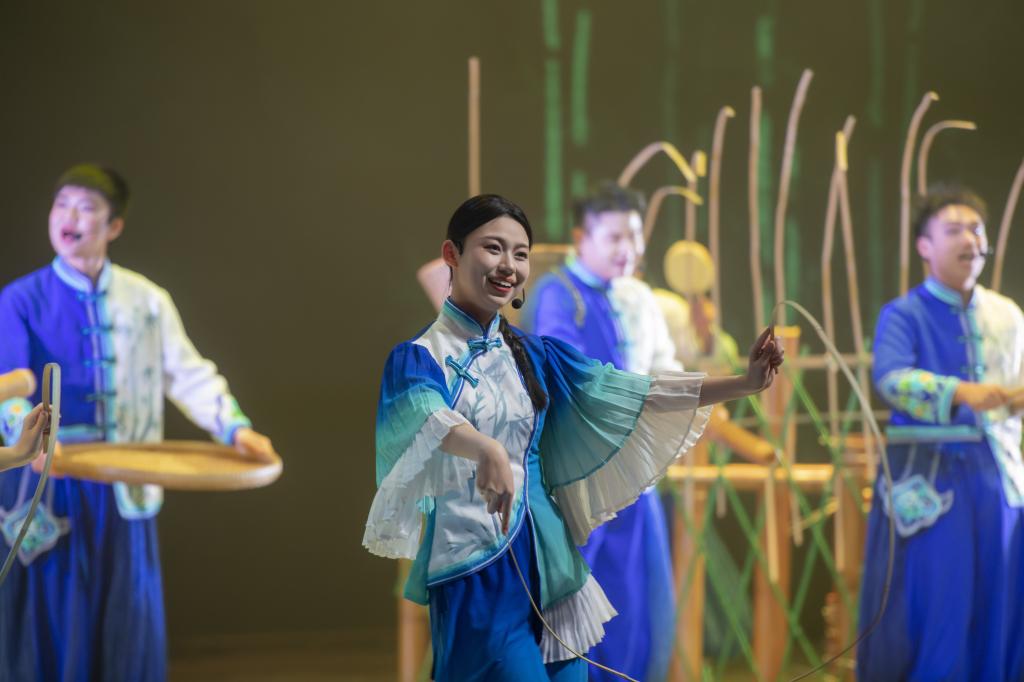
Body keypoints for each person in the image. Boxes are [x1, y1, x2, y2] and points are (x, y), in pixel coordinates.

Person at [363, 193, 783, 681]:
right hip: (477, 572)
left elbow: (633, 392)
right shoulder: (419, 357)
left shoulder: (535, 354)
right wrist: (485, 447)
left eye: (520, 253)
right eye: (493, 248)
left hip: (553, 569)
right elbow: (425, 415)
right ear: (451, 254)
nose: (509, 265)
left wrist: (744, 384)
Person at [0, 163, 276, 681]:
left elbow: (187, 373)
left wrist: (235, 429)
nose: (70, 217)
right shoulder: (21, 299)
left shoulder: (146, 300)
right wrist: (32, 445)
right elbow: (8, 388)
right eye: (62, 205)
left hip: (125, 480)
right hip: (50, 482)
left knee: (125, 613)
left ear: (114, 226)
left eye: (86, 208)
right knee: (56, 617)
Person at [857, 185, 1024, 681]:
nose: (970, 239)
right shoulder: (903, 314)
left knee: (1001, 597)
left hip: (1000, 478)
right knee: (939, 604)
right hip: (928, 479)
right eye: (954, 230)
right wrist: (959, 392)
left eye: (976, 229)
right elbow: (891, 378)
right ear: (924, 246)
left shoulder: (1007, 315)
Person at [521, 182, 681, 680]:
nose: (627, 249)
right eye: (613, 237)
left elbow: (665, 368)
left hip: (633, 474)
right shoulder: (558, 294)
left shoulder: (640, 297)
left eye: (634, 236)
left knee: (635, 600)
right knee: (579, 603)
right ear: (581, 239)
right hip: (579, 480)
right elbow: (568, 375)